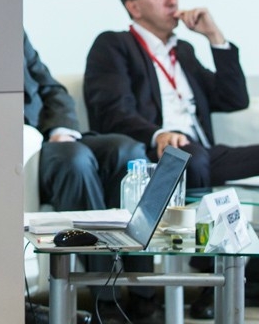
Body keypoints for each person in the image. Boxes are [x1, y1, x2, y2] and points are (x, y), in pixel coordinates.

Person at [83, 0, 259, 315]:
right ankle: (208, 281)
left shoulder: (183, 51)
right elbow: (111, 110)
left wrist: (215, 38)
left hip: (203, 153)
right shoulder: (114, 45)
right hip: (156, 155)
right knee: (190, 154)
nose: (173, 0)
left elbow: (234, 99)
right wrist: (158, 133)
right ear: (134, 7)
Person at [24, 32, 161, 324]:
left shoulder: (12, 31)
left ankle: (143, 294)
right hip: (23, 149)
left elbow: (52, 89)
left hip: (53, 139)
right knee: (76, 162)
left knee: (129, 151)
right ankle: (105, 301)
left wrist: (61, 129)